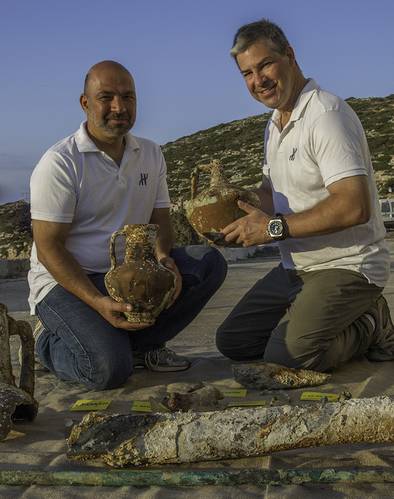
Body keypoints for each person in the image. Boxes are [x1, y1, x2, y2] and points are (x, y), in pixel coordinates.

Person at [28, 60, 227, 390]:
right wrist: (97, 303)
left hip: (131, 274)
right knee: (108, 371)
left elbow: (159, 219)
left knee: (209, 266)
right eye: (106, 97)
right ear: (85, 102)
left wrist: (165, 261)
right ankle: (48, 343)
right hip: (65, 282)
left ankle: (142, 346)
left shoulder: (149, 153)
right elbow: (48, 248)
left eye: (128, 97)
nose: (119, 107)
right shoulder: (61, 162)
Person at [216, 19, 393, 372]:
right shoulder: (275, 123)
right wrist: (236, 210)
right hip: (296, 268)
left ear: (290, 55)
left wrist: (272, 230)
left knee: (288, 358)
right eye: (247, 73)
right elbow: (270, 193)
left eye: (265, 64)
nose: (258, 80)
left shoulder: (326, 115)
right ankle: (317, 317)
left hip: (347, 265)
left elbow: (353, 205)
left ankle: (373, 323)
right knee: (235, 341)